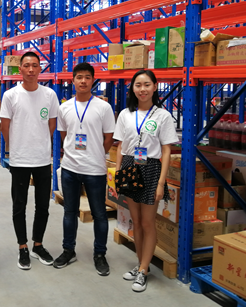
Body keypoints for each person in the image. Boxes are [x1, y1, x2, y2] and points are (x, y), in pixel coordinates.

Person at [114, 69, 178, 292]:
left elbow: (166, 150)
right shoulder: (125, 114)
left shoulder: (163, 115)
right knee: (136, 220)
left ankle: (142, 270)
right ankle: (142, 265)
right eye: (138, 85)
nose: (142, 89)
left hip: (151, 169)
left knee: (148, 222)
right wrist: (118, 173)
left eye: (147, 85)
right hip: (129, 166)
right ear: (133, 88)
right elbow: (120, 146)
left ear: (155, 87)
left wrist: (161, 183)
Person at [0, 51, 59, 270]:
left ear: (40, 69)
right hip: (20, 159)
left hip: (42, 158)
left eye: (35, 65)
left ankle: (38, 245)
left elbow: (51, 125)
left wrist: (40, 143)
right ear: (20, 69)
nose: (31, 69)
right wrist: (16, 147)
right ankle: (22, 246)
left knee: (43, 205)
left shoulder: (49, 95)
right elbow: (5, 127)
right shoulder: (11, 95)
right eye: (27, 65)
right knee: (19, 205)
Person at [54, 62, 115, 276]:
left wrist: (96, 154)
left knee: (99, 214)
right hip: (70, 168)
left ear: (93, 80)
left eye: (87, 77)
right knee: (69, 212)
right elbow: (64, 136)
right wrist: (74, 152)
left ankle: (100, 254)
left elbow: (109, 137)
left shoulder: (103, 107)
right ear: (73, 80)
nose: (83, 81)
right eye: (79, 77)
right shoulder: (64, 107)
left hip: (95, 170)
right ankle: (68, 250)